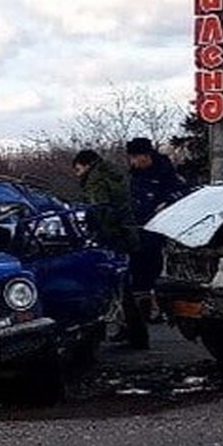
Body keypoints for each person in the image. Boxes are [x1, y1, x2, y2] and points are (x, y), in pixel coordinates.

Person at [72, 149, 148, 349]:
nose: (78, 174)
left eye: (78, 169)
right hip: (127, 233)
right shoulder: (113, 173)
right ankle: (135, 333)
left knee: (119, 289)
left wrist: (100, 236)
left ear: (86, 165)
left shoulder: (95, 180)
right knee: (126, 288)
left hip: (113, 238)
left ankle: (134, 335)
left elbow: (101, 210)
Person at [125, 137, 188, 323]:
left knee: (155, 267)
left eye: (136, 157)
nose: (133, 162)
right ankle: (143, 309)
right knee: (138, 270)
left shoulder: (165, 172)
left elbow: (181, 193)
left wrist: (166, 204)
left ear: (146, 156)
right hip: (140, 227)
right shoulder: (135, 175)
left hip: (161, 227)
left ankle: (157, 306)